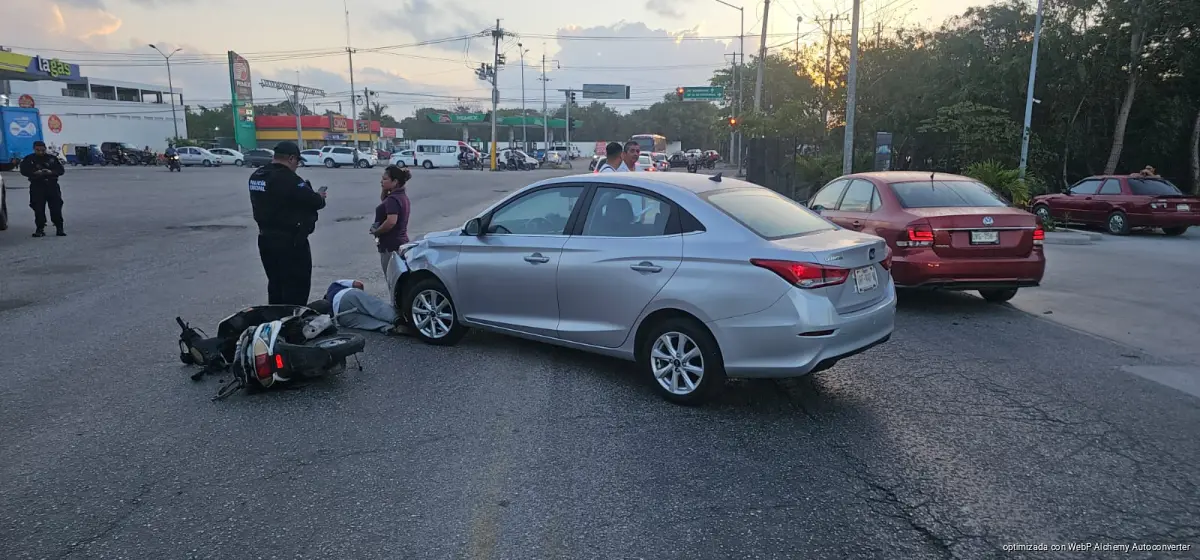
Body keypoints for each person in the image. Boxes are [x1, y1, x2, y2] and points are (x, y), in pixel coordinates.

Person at [249, 141, 327, 305]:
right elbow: (314, 201)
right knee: (296, 288)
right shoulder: (288, 179)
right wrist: (320, 195)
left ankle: (275, 317)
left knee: (275, 284)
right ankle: (291, 319)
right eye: (297, 161)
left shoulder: (257, 176)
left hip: (266, 239)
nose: (297, 166)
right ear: (291, 158)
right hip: (290, 243)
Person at [319, 279, 409, 335]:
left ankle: (390, 328)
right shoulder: (333, 286)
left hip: (340, 317)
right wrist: (363, 298)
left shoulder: (328, 310)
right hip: (345, 296)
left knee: (366, 322)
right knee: (375, 306)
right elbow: (359, 285)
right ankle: (398, 319)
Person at [19, 140, 66, 238]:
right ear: (34, 149)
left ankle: (59, 228)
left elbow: (61, 170)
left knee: (56, 207)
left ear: (45, 149)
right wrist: (34, 173)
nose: (40, 152)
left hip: (52, 185)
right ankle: (40, 228)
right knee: (38, 208)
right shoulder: (29, 159)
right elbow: (23, 170)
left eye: (42, 150)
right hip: (37, 186)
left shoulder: (52, 158)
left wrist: (51, 172)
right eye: (38, 150)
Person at [371, 165, 412, 273]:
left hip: (391, 246)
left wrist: (377, 231)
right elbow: (384, 201)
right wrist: (384, 188)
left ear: (395, 182)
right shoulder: (400, 196)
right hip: (400, 243)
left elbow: (391, 222)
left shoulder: (393, 199)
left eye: (385, 179)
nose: (381, 182)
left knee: (392, 277)